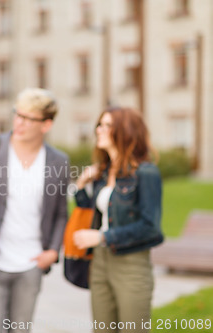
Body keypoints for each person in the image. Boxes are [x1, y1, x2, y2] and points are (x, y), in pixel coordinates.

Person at [0, 88, 70, 333]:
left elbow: (60, 213)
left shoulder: (58, 161)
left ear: (46, 125)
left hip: (31, 264)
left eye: (28, 118)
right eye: (17, 115)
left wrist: (53, 251)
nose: (19, 123)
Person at [73, 107, 163, 333]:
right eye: (99, 124)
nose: (98, 130)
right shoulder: (104, 173)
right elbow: (90, 210)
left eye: (106, 125)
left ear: (125, 131)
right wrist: (82, 185)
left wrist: (102, 236)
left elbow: (150, 227)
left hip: (131, 263)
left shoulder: (146, 173)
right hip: (100, 262)